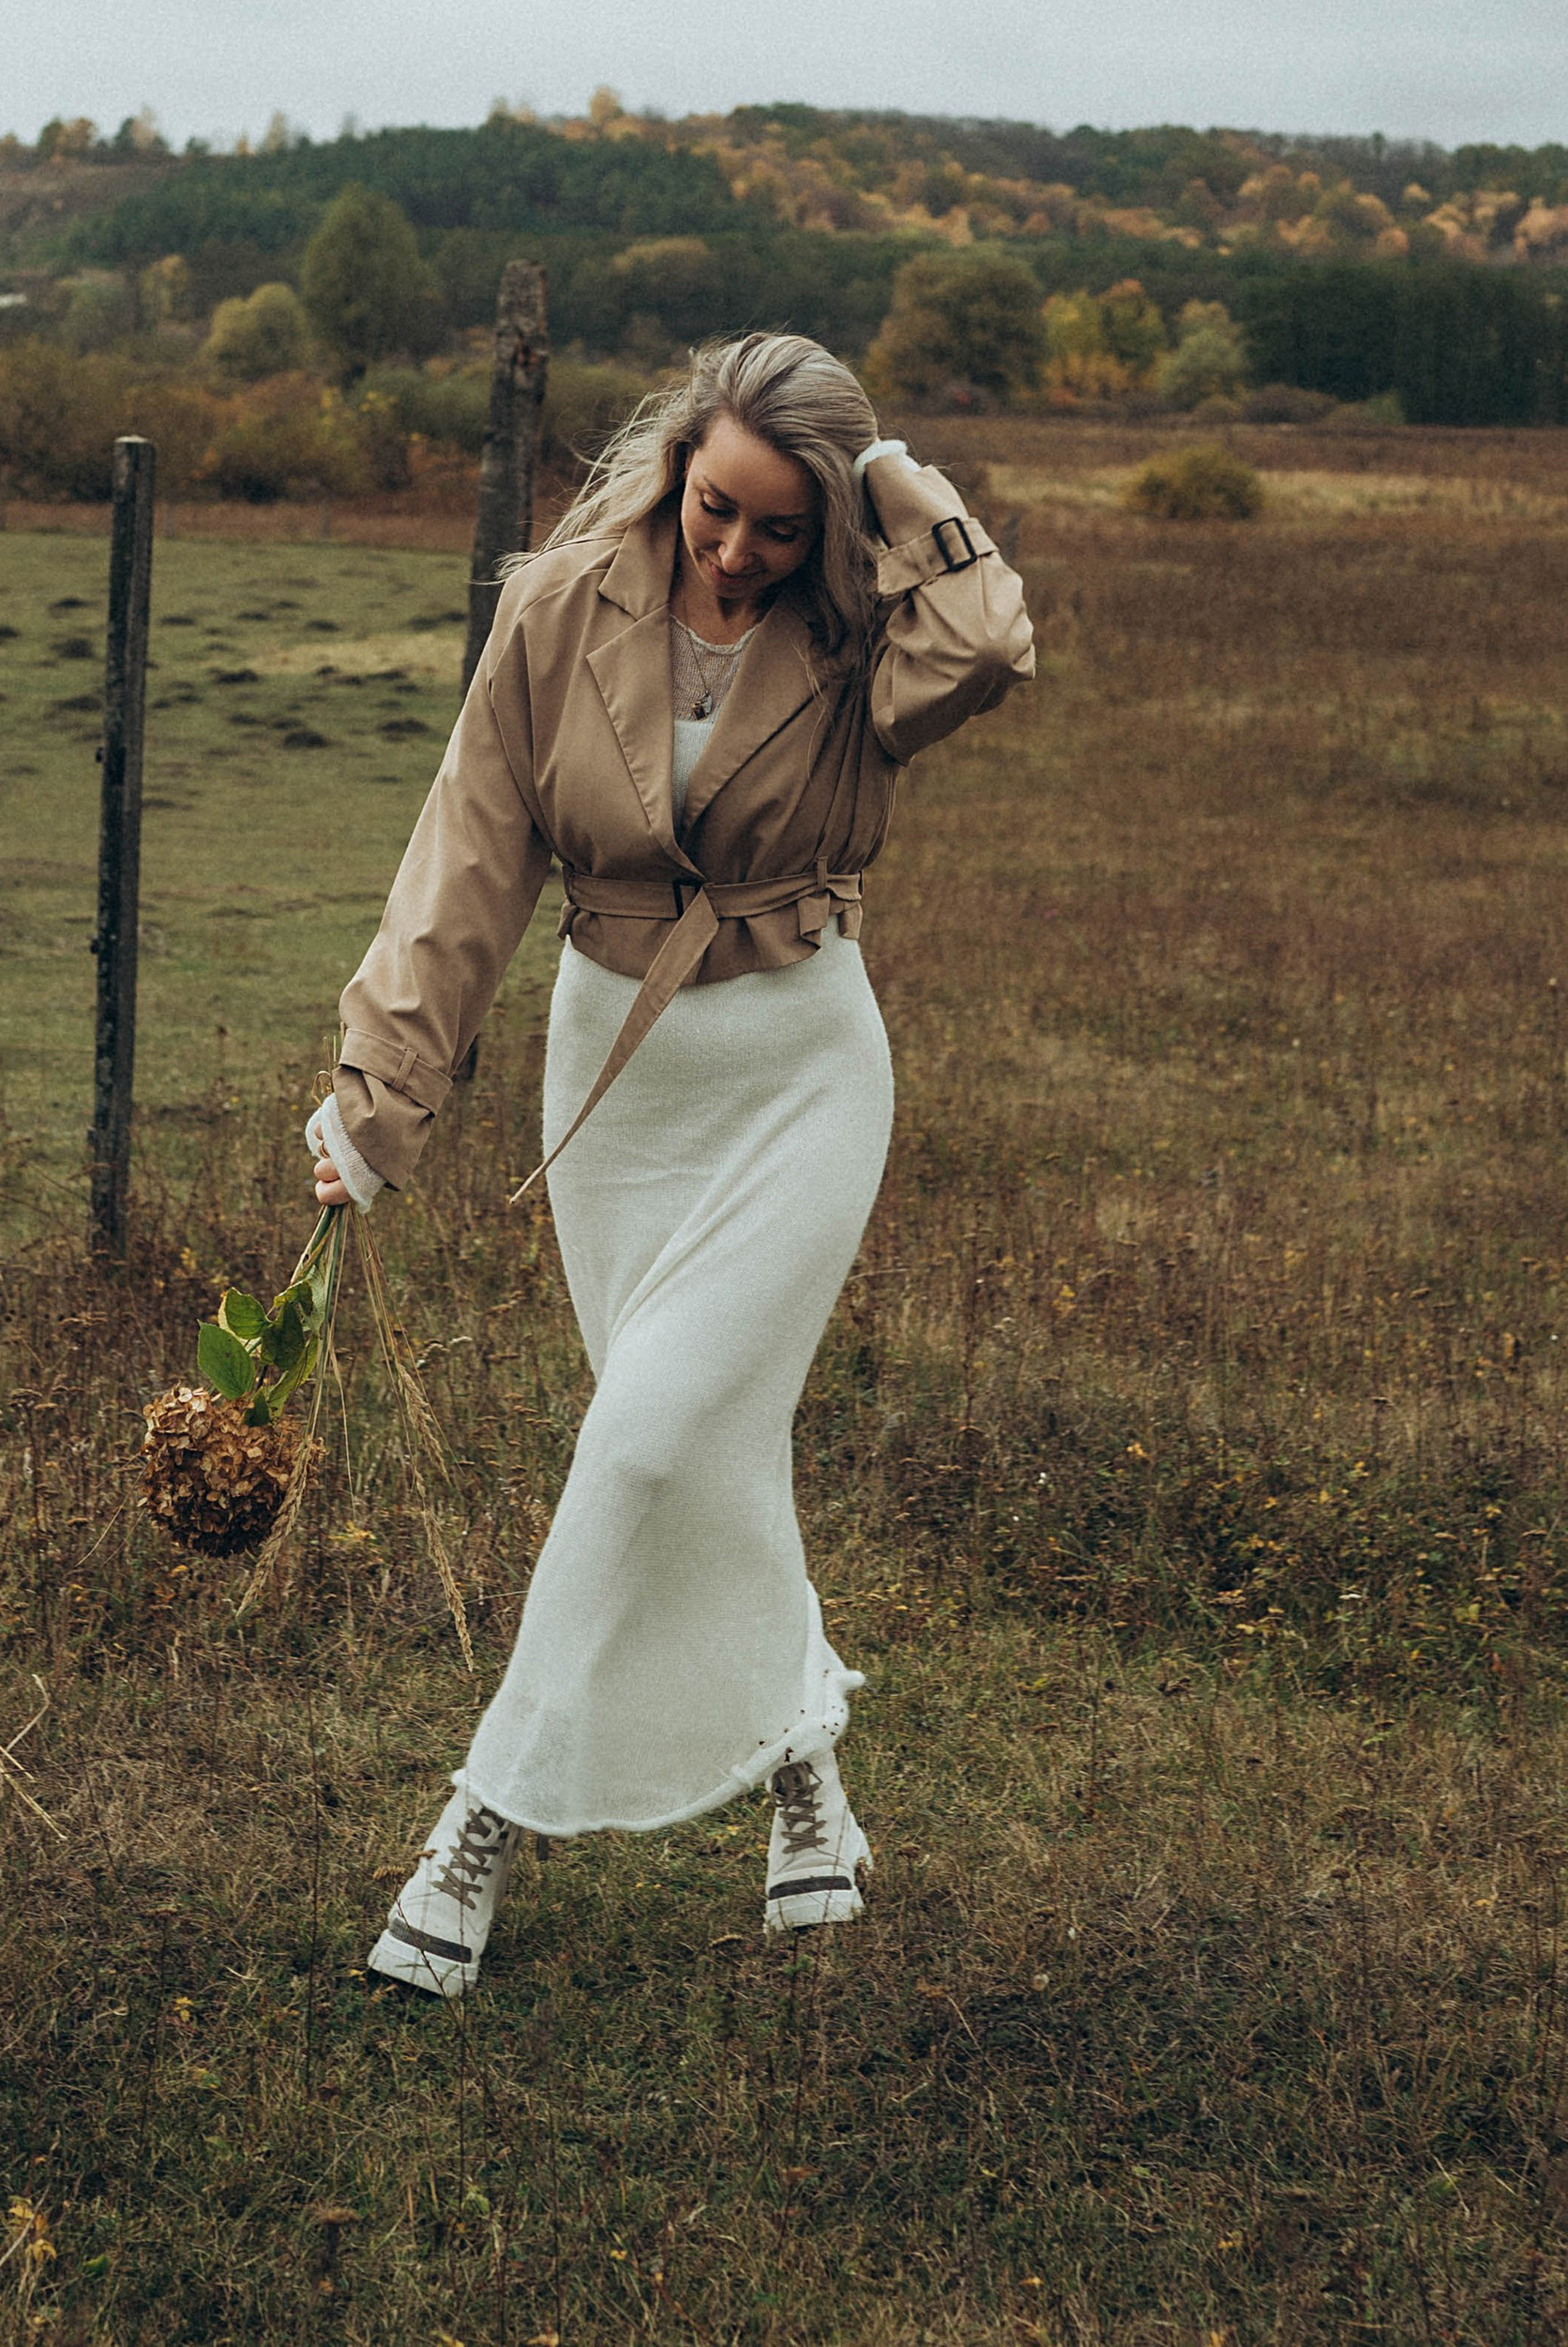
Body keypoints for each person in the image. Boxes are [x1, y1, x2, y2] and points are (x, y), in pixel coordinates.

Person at [302, 328, 1034, 1995]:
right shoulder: (558, 611)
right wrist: (378, 1097)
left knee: (639, 1444)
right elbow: (465, 860)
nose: (737, 551)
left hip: (799, 1076)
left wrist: (899, 479)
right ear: (675, 474)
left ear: (829, 519)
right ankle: (807, 1787)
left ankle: (478, 1825)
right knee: (703, 1452)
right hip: (617, 1086)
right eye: (718, 509)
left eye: (781, 525)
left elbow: (992, 639)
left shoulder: (867, 633)